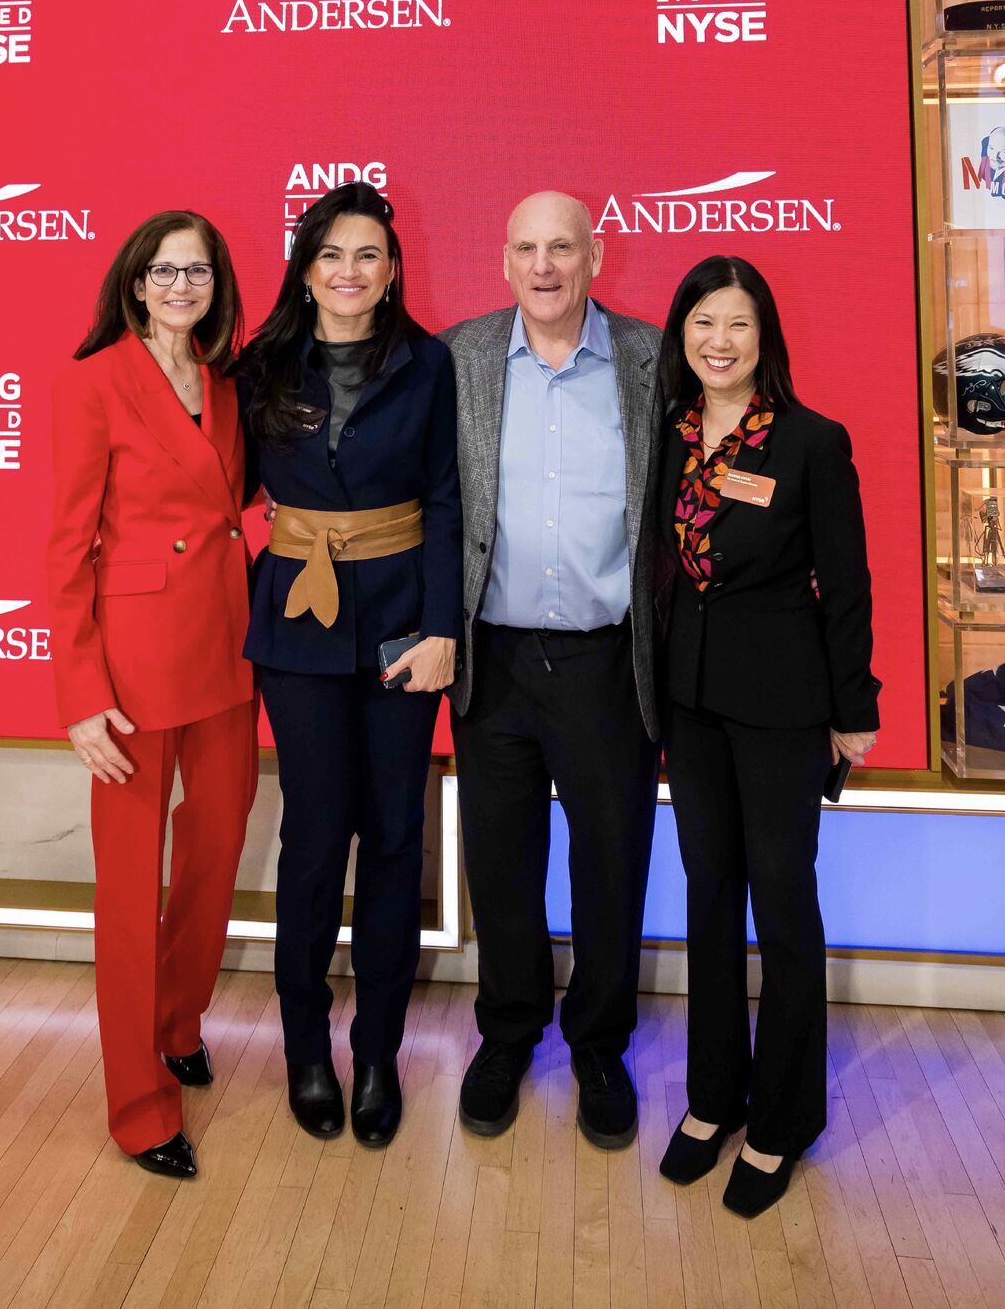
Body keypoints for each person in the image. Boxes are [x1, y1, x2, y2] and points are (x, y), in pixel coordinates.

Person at [654, 255, 880, 1217]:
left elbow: (849, 585)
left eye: (737, 324)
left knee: (784, 905)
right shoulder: (665, 438)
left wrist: (854, 707)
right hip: (689, 703)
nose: (719, 341)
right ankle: (715, 1096)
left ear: (765, 337)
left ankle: (785, 1119)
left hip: (785, 707)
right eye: (704, 322)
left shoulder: (810, 441)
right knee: (709, 896)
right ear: (682, 333)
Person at [240, 182, 461, 1150]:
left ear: (393, 269)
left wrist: (442, 628)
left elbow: (448, 503)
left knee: (393, 836)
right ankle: (303, 1049)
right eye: (330, 254)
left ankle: (376, 1053)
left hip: (401, 626)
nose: (348, 272)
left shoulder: (428, 363)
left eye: (366, 254)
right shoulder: (258, 365)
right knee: (314, 837)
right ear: (304, 266)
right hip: (296, 621)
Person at [442, 190, 660, 1150]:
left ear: (595, 256)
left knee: (613, 860)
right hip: (493, 656)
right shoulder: (461, 357)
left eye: (562, 247)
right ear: (503, 261)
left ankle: (602, 1044)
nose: (544, 266)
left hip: (611, 660)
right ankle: (508, 1032)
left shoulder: (655, 360)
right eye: (526, 247)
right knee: (501, 859)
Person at [47, 209, 258, 1181]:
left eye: (198, 273)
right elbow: (65, 550)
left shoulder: (223, 383)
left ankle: (178, 1023)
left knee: (214, 854)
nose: (181, 287)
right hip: (131, 670)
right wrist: (81, 695)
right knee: (130, 889)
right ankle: (137, 1103)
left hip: (225, 649)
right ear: (135, 283)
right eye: (165, 272)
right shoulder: (94, 383)